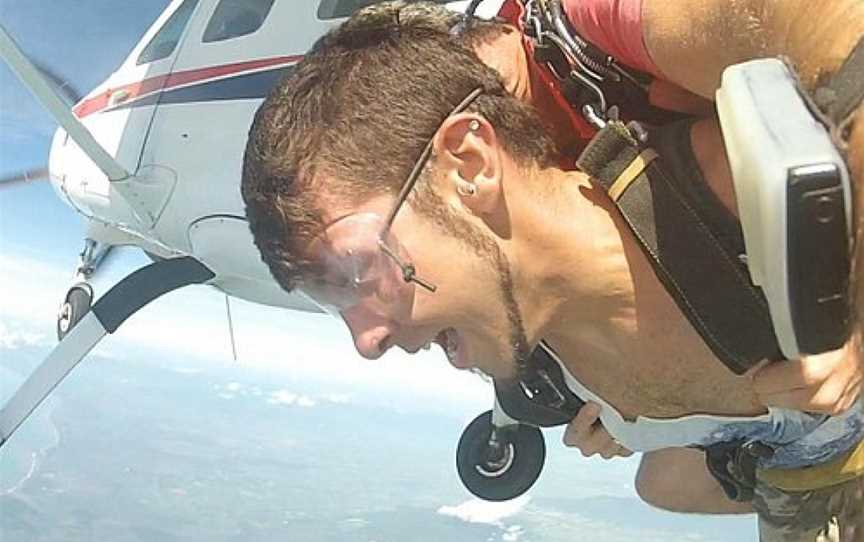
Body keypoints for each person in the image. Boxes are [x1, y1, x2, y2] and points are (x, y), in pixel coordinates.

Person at [241, 1, 864, 539]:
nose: (365, 342)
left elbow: (838, 37)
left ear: (469, 162)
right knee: (659, 482)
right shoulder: (549, 360)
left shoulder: (712, 188)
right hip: (805, 467)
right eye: (331, 296)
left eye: (350, 268)